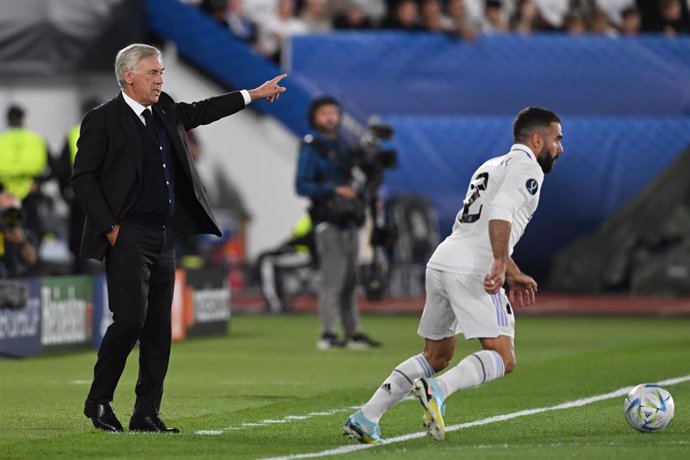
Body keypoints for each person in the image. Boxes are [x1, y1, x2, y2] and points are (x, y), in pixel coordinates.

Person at [71, 43, 286, 433]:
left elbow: (201, 111)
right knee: (130, 320)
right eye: (153, 73)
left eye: (162, 73)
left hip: (164, 235)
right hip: (127, 235)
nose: (160, 80)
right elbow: (82, 178)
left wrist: (252, 95)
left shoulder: (165, 108)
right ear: (129, 76)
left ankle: (146, 413)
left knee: (157, 329)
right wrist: (110, 228)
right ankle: (98, 402)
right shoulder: (102, 119)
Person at [343, 107, 564, 444]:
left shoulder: (490, 165)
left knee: (437, 355)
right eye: (556, 139)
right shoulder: (528, 168)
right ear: (537, 140)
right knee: (503, 357)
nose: (560, 147)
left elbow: (478, 219)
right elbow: (501, 214)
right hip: (474, 267)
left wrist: (510, 267)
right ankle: (438, 391)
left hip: (444, 260)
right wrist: (500, 263)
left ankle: (366, 417)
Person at [295, 96, 381, 350]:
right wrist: (334, 189)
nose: (330, 117)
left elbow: (358, 180)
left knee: (350, 281)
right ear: (314, 117)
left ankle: (353, 332)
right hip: (328, 221)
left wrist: (366, 195)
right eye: (324, 113)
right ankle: (328, 333)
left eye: (333, 112)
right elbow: (301, 185)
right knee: (333, 280)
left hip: (350, 220)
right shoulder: (312, 146)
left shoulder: (344, 146)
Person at [0, 190, 38, 278]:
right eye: (5, 212)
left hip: (18, 279)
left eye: (13, 212)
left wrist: (22, 242)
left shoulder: (26, 232)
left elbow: (32, 259)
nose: (10, 218)